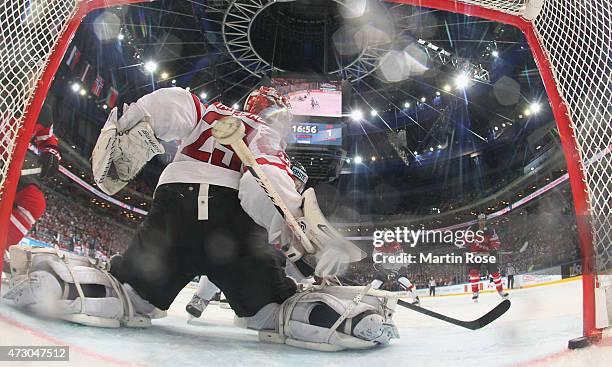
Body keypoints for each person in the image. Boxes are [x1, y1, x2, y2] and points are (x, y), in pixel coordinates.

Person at [5, 86, 398, 351]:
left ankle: (62, 286)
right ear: (276, 114)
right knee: (272, 308)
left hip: (173, 208)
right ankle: (336, 319)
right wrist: (298, 235)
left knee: (132, 293)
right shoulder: (264, 134)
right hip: (234, 225)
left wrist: (131, 124)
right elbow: (263, 184)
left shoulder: (208, 111)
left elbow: (171, 104)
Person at [186, 160, 310, 319]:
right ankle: (201, 297)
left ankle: (253, 299)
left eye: (298, 184)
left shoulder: (294, 206)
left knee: (282, 264)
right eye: (293, 181)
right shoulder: (259, 188)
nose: (294, 186)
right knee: (223, 257)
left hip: (265, 246)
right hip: (242, 237)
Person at [2, 103, 62, 273]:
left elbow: (47, 138)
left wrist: (51, 151)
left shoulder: (43, 109)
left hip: (7, 165)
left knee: (34, 201)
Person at [467, 214, 509, 303]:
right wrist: (464, 243)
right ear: (478, 221)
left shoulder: (490, 230)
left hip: (487, 254)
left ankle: (501, 291)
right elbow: (466, 238)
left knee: (495, 273)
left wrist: (494, 248)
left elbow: (495, 241)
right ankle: (475, 292)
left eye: (483, 220)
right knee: (473, 273)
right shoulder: (472, 229)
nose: (482, 222)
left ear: (486, 221)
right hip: (475, 255)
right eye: (480, 220)